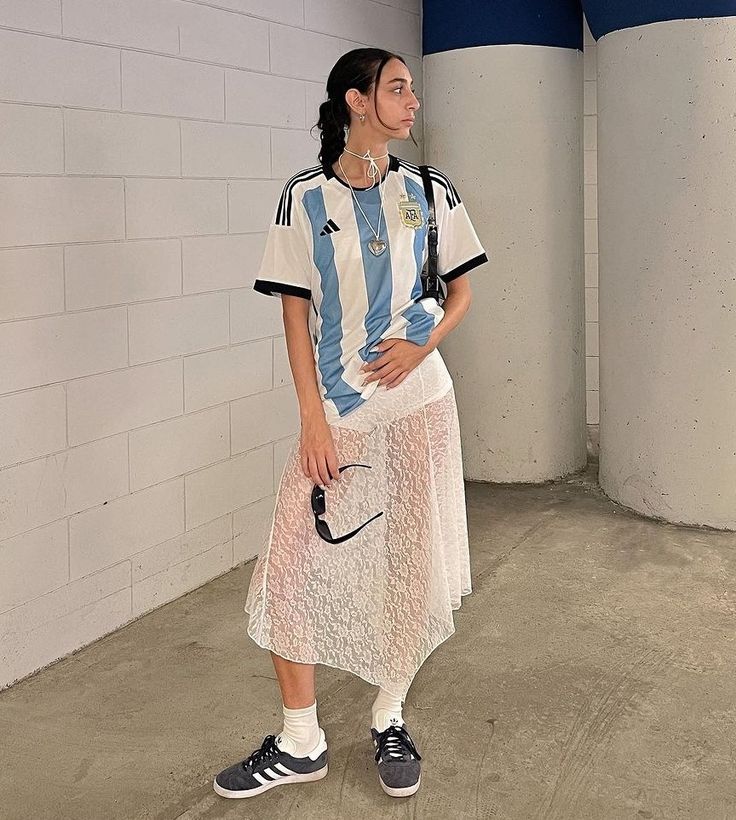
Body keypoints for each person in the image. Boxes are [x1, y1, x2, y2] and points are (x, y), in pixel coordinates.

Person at [213, 47, 488, 801]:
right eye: (397, 89)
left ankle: (389, 715)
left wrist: (423, 344)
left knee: (409, 563)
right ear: (357, 101)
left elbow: (461, 293)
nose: (412, 101)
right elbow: (294, 316)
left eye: (411, 89)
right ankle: (300, 739)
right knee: (288, 569)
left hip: (422, 400)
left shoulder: (428, 189)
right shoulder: (303, 198)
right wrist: (312, 418)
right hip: (341, 410)